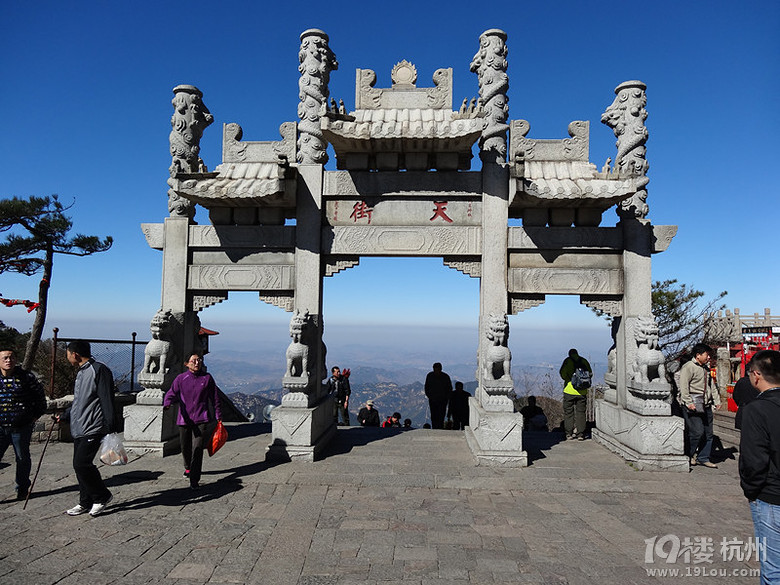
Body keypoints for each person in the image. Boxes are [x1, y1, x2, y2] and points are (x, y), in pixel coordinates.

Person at [60, 340, 116, 516]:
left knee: (81, 463)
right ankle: (85, 501)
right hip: (79, 427)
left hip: (94, 426)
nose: (67, 357)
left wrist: (110, 426)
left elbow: (106, 398)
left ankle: (102, 496)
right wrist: (65, 415)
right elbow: (80, 400)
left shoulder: (99, 370)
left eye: (67, 353)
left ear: (74, 354)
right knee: (79, 466)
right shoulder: (81, 372)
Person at [738, 350, 780, 583]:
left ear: (756, 375)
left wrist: (751, 490)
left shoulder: (756, 409)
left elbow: (754, 460)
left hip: (772, 496)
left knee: (773, 569)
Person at [163, 353, 222, 489]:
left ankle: (194, 479)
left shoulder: (207, 378)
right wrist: (167, 403)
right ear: (187, 364)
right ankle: (188, 467)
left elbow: (215, 398)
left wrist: (218, 414)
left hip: (201, 418)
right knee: (185, 446)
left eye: (199, 360)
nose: (197, 363)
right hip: (184, 418)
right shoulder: (181, 379)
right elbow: (172, 393)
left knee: (198, 448)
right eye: (194, 360)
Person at [0, 347, 46, 500]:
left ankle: (22, 489)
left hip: (21, 427)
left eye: (11, 357)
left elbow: (40, 398)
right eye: (5, 358)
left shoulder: (26, 377)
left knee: (22, 458)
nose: (9, 361)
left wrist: (34, 416)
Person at [679, 343, 721, 469]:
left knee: (709, 433)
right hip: (693, 404)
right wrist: (687, 402)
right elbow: (684, 385)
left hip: (706, 404)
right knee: (697, 431)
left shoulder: (706, 368)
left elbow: (711, 386)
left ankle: (703, 457)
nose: (709, 357)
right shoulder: (689, 367)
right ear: (698, 355)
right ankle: (689, 454)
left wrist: (717, 400)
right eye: (707, 355)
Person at [559, 349, 591, 440]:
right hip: (582, 391)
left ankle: (569, 433)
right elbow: (590, 373)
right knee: (581, 413)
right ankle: (580, 434)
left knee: (569, 413)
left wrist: (569, 378)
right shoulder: (584, 361)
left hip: (569, 390)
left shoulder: (567, 361)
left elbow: (563, 374)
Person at [424, 362, 452, 429]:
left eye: (438, 369)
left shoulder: (445, 377)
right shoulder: (430, 376)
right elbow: (426, 387)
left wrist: (446, 398)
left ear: (441, 369)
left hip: (442, 400)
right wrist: (429, 396)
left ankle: (440, 427)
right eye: (435, 369)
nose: (437, 371)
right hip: (433, 400)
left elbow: (449, 388)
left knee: (441, 415)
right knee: (434, 415)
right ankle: (435, 427)